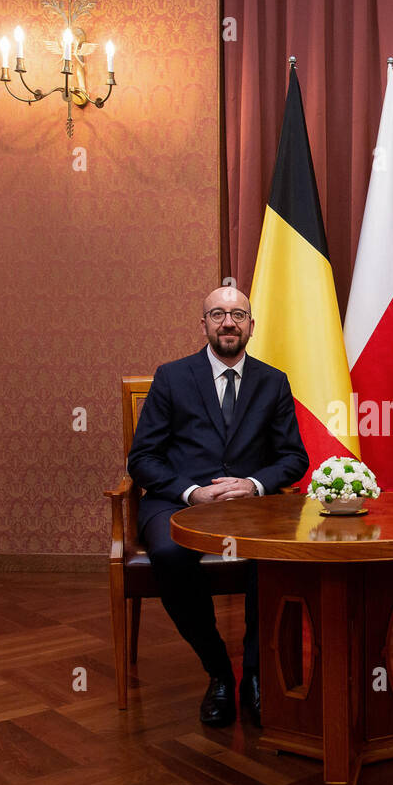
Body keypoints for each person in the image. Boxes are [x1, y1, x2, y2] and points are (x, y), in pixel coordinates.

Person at [128, 286, 309, 727]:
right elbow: (142, 459)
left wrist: (252, 483)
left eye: (238, 315)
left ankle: (254, 674)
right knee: (170, 555)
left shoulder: (274, 380)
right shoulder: (171, 377)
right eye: (217, 314)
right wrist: (192, 492)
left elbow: (294, 458)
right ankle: (217, 671)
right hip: (178, 502)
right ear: (204, 324)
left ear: (251, 324)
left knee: (270, 559)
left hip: (251, 509)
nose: (228, 323)